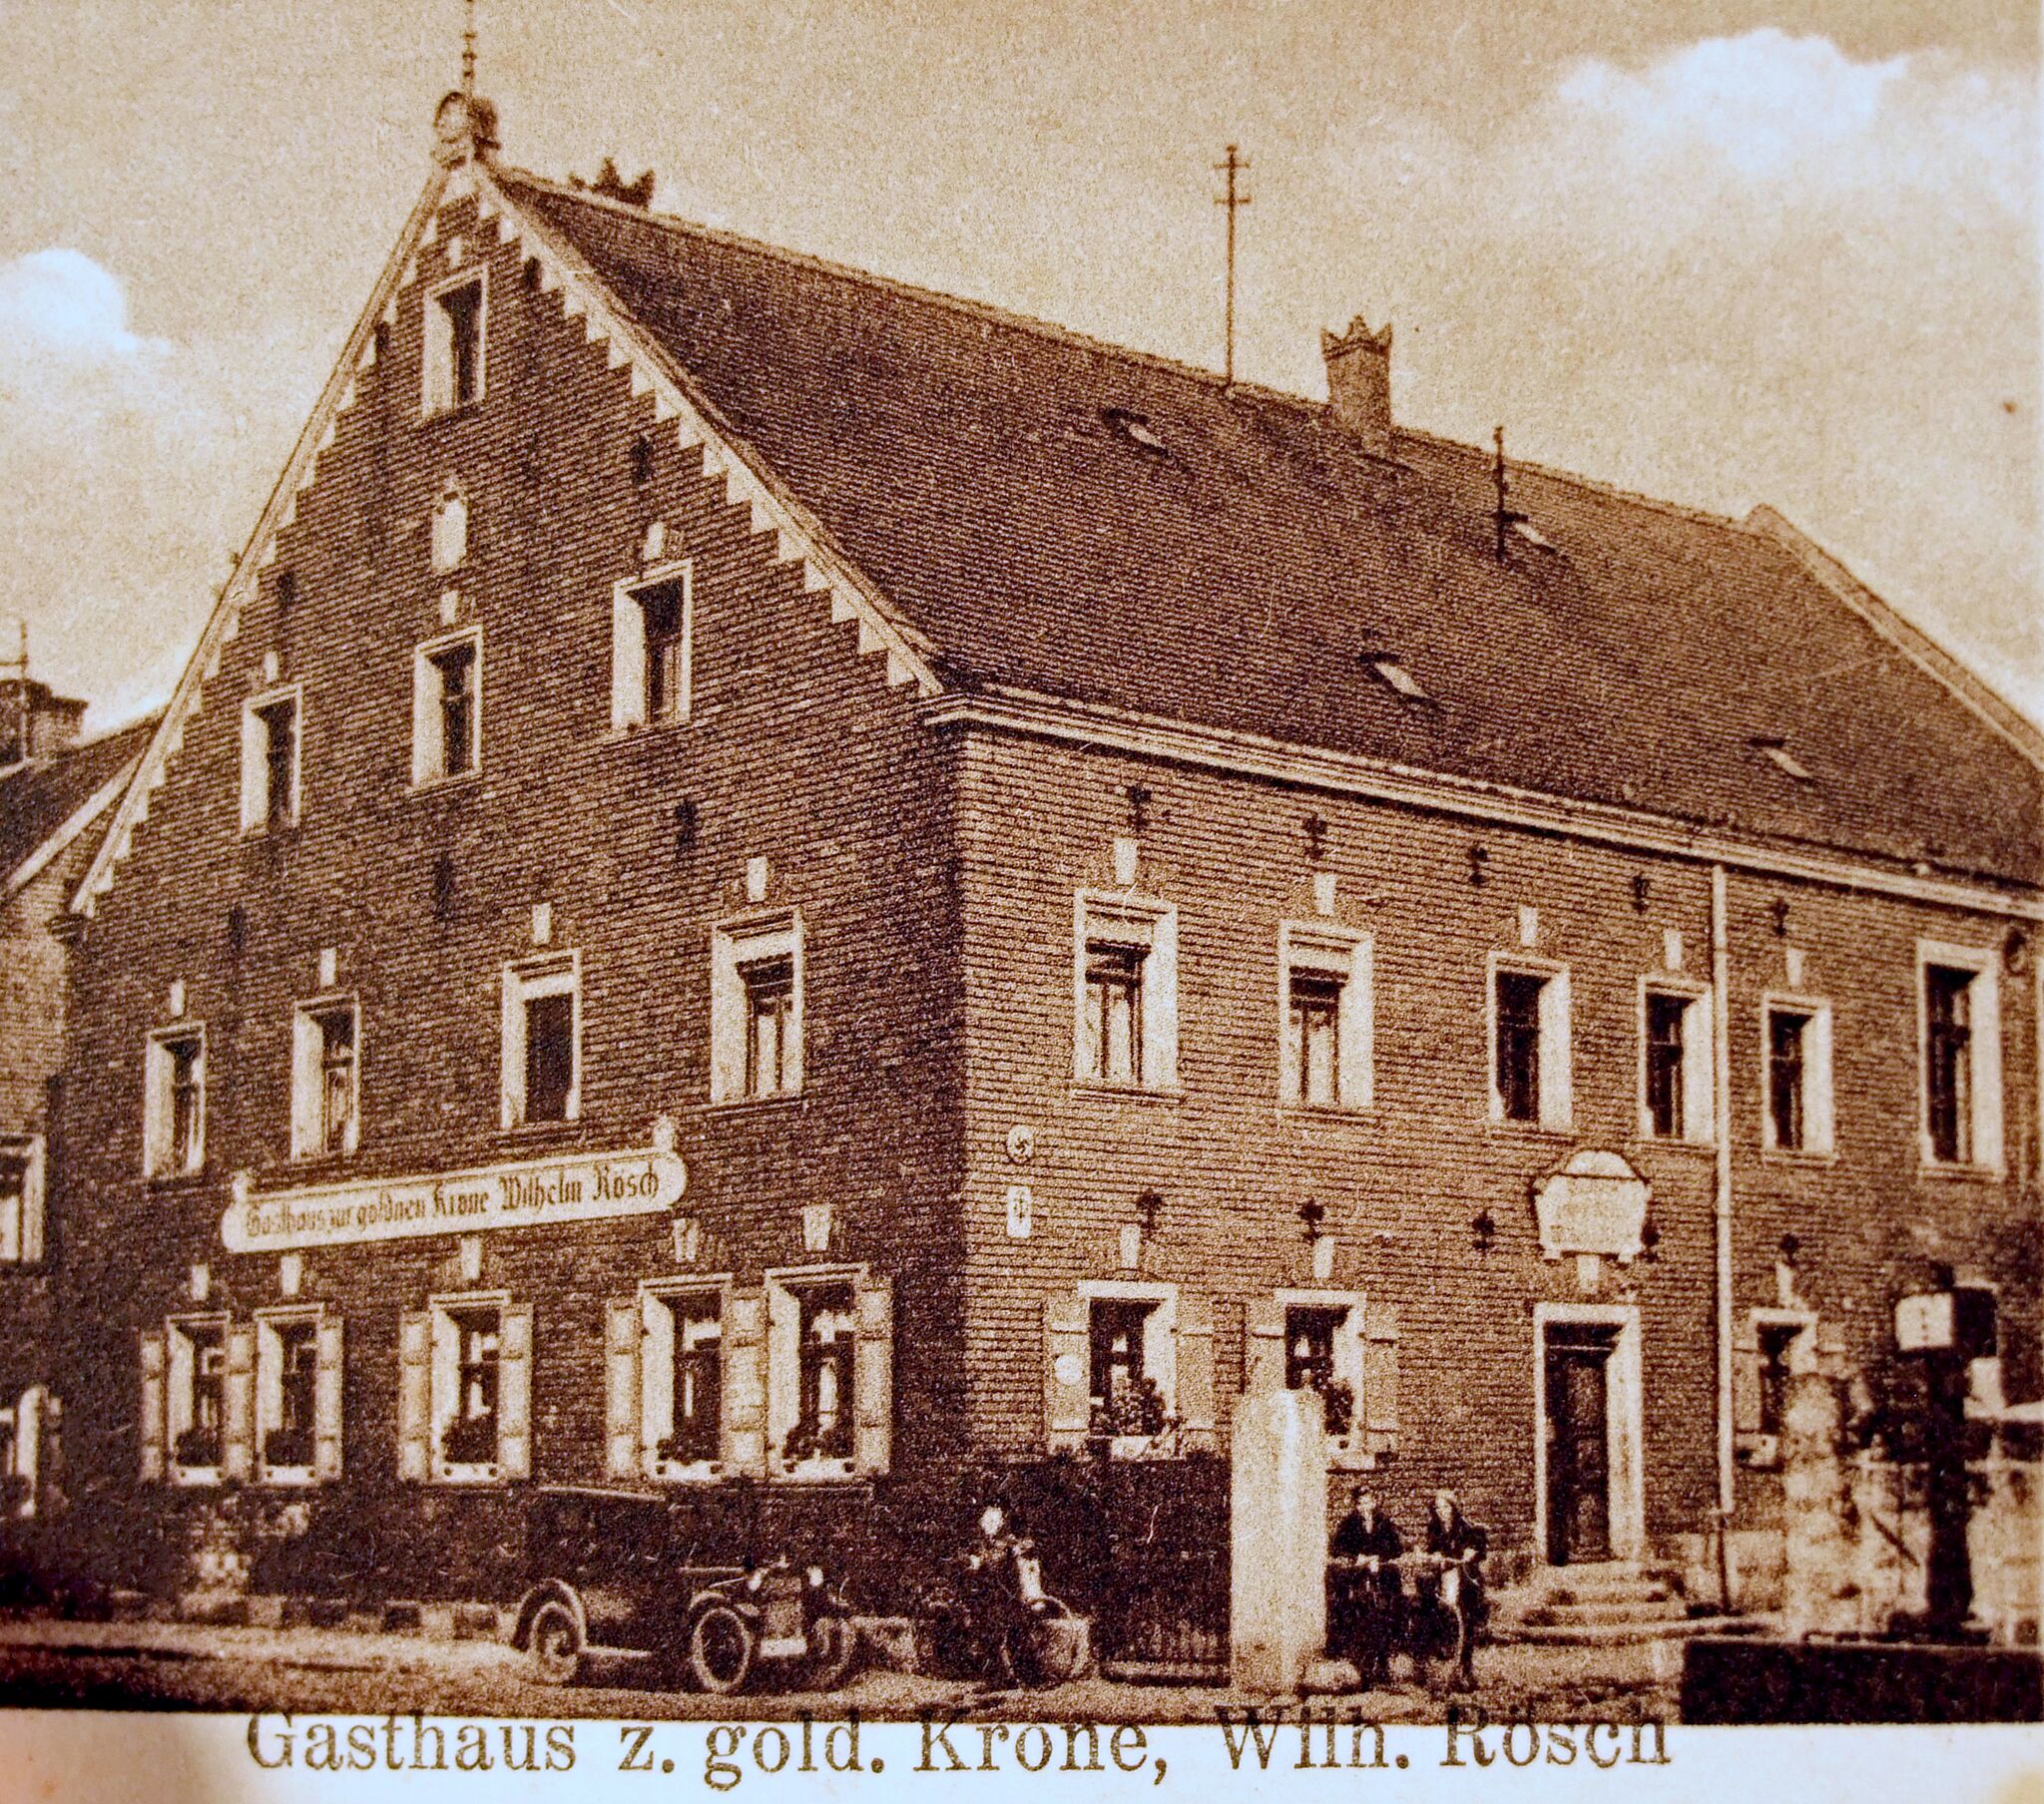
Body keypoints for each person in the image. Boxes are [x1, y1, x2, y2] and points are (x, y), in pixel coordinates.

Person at [1328, 1487, 1404, 1685]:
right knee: (1362, 1617)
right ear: (1356, 1505)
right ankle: (1365, 1667)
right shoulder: (1348, 1523)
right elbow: (1336, 1548)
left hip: (1382, 1577)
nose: (1365, 1506)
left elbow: (1397, 1548)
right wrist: (1357, 1557)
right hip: (1359, 1577)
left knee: (1386, 1616)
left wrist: (1379, 1557)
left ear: (1374, 1502)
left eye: (1368, 1502)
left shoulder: (1384, 1522)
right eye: (1361, 1503)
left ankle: (1383, 1664)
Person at [1421, 1488, 1488, 1688]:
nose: (1442, 1512)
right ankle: (1440, 1663)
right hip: (1443, 1578)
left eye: (1445, 1507)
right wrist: (1433, 1557)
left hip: (1464, 1580)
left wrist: (1470, 1554)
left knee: (1466, 1623)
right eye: (1438, 1508)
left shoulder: (1466, 1528)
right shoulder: (1434, 1529)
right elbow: (1431, 1550)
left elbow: (1477, 1550)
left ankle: (1465, 1669)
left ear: (1453, 1508)